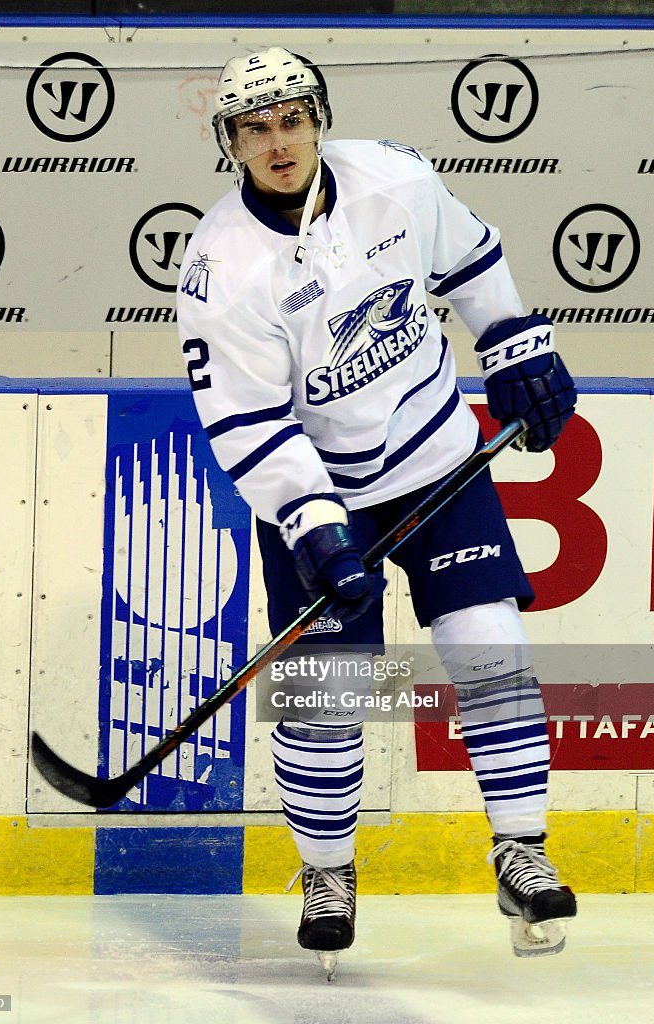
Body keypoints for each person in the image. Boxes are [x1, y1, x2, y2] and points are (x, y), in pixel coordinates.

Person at [177, 46, 577, 977]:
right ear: (231, 141)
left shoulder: (394, 177)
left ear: (318, 115)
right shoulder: (219, 265)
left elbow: (470, 259)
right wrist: (314, 523)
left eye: (291, 118)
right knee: (331, 701)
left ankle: (521, 853)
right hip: (322, 487)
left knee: (489, 645)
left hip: (438, 459)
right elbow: (245, 418)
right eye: (255, 127)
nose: (279, 142)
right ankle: (327, 873)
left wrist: (516, 343)